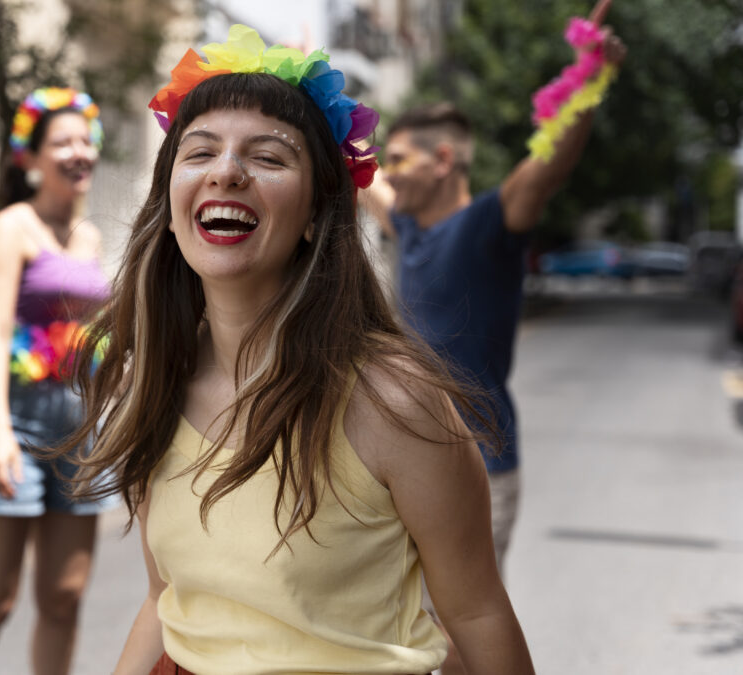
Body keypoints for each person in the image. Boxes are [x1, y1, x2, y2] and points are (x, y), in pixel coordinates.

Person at [57, 25, 534, 675]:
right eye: (199, 152)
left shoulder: (395, 401)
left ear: (316, 214)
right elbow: (165, 598)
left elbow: (478, 615)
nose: (227, 170)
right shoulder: (156, 379)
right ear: (170, 206)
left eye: (269, 157)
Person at [359, 15, 625, 674]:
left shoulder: (486, 224)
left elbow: (546, 168)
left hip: (482, 461)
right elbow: (359, 172)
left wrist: (589, 81)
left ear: (444, 159)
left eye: (401, 158)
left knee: (459, 632)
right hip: (405, 460)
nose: (389, 171)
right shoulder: (410, 232)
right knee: (409, 623)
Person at [0, 87, 116, 675]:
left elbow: (93, 337)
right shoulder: (11, 227)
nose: (78, 151)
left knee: (64, 599)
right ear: (31, 158)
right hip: (14, 417)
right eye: (62, 141)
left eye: (84, 139)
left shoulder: (89, 238)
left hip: (77, 424)